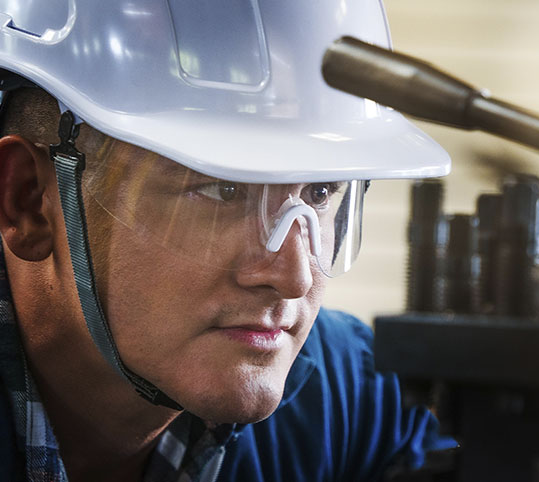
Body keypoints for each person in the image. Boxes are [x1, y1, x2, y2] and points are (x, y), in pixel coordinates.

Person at [0, 1, 456, 481]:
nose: (293, 276)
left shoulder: (353, 396)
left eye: (320, 193)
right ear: (29, 202)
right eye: (222, 190)